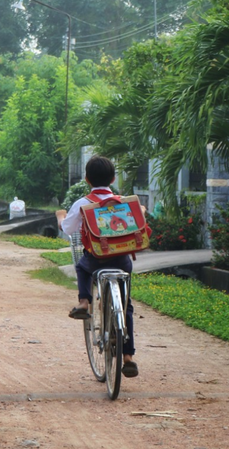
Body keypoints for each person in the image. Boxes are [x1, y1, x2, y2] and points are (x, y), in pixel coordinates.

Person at [55, 155, 139, 378]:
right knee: (126, 305)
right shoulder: (122, 202)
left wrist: (61, 218)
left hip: (95, 259)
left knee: (82, 268)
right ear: (112, 178)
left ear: (87, 179)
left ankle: (84, 302)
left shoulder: (83, 203)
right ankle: (128, 357)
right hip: (121, 260)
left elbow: (68, 229)